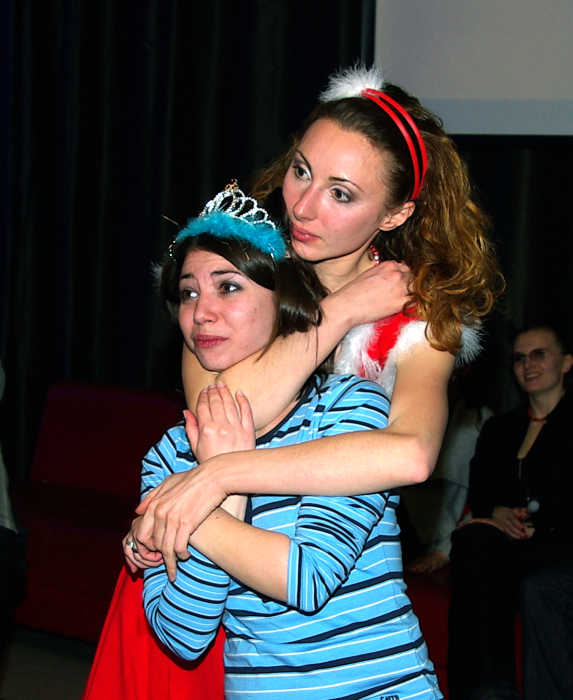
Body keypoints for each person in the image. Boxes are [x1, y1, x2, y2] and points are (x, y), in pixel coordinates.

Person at [132, 64, 503, 578]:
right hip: (203, 570)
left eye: (341, 193)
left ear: (394, 214)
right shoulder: (239, 273)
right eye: (301, 171)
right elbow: (220, 408)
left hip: (325, 591)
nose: (303, 207)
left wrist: (221, 474)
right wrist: (342, 311)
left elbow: (413, 454)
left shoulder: (414, 320)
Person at [135, 184, 443, 697]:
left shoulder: (347, 408)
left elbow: (307, 578)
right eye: (188, 292)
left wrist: (187, 501)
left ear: (283, 301)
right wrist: (222, 494)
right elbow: (183, 637)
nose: (202, 312)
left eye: (228, 287)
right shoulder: (170, 455)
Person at [447, 323, 573, 700]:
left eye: (539, 354)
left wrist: (544, 522)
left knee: (538, 586)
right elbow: (481, 490)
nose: (527, 365)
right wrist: (496, 511)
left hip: (562, 544)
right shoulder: (500, 428)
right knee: (473, 540)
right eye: (519, 358)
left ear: (566, 363)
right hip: (511, 544)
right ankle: (487, 690)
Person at [400, 368, 494, 574]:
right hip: (409, 532)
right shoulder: (404, 416)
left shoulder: (481, 422)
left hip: (459, 535)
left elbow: (487, 501)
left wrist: (444, 550)